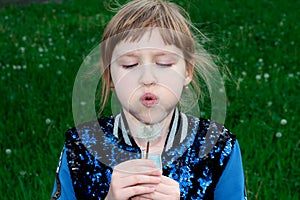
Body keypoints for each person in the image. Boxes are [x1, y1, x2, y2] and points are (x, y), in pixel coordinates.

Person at [51, 0, 246, 199]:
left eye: (164, 63)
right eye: (130, 65)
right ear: (110, 76)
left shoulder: (217, 146)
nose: (147, 79)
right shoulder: (81, 145)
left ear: (187, 71)